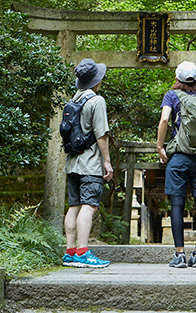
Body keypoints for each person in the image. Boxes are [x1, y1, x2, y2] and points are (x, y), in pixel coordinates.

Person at [156, 61, 196, 268]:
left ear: (177, 78)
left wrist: (160, 147)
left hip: (179, 158)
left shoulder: (171, 95)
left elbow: (164, 121)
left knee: (177, 204)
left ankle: (180, 255)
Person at [62, 58, 114, 268]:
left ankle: (70, 251)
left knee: (74, 206)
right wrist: (107, 162)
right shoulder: (96, 101)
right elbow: (101, 135)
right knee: (89, 206)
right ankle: (83, 253)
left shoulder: (72, 101)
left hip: (72, 163)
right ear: (96, 81)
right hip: (90, 163)